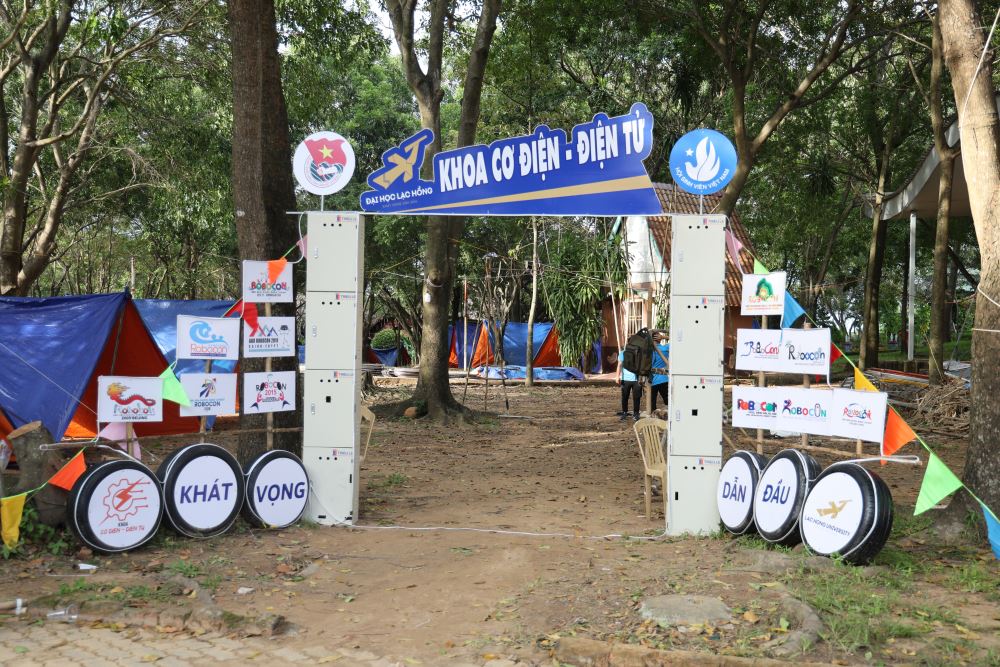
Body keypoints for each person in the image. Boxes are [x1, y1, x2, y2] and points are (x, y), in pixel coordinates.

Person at [616, 348, 642, 421]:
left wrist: (617, 377)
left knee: (633, 397)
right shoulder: (623, 353)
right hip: (630, 379)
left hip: (633, 379)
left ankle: (633, 413)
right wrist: (617, 376)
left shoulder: (638, 353)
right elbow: (619, 365)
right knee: (628, 397)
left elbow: (619, 365)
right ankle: (628, 413)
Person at [650, 334, 669, 411]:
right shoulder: (665, 348)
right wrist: (664, 337)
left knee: (652, 402)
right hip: (663, 378)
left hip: (651, 379)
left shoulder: (648, 350)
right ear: (659, 339)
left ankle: (652, 415)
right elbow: (677, 341)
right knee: (668, 400)